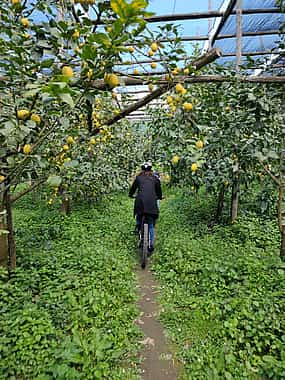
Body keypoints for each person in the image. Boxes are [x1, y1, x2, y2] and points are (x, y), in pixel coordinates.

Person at [129, 162, 162, 253]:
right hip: (152, 204)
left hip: (140, 202)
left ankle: (138, 226)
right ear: (151, 170)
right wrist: (159, 197)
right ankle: (150, 244)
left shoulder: (138, 178)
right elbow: (159, 191)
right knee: (151, 224)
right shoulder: (155, 179)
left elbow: (133, 188)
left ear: (142, 170)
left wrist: (131, 195)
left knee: (139, 214)